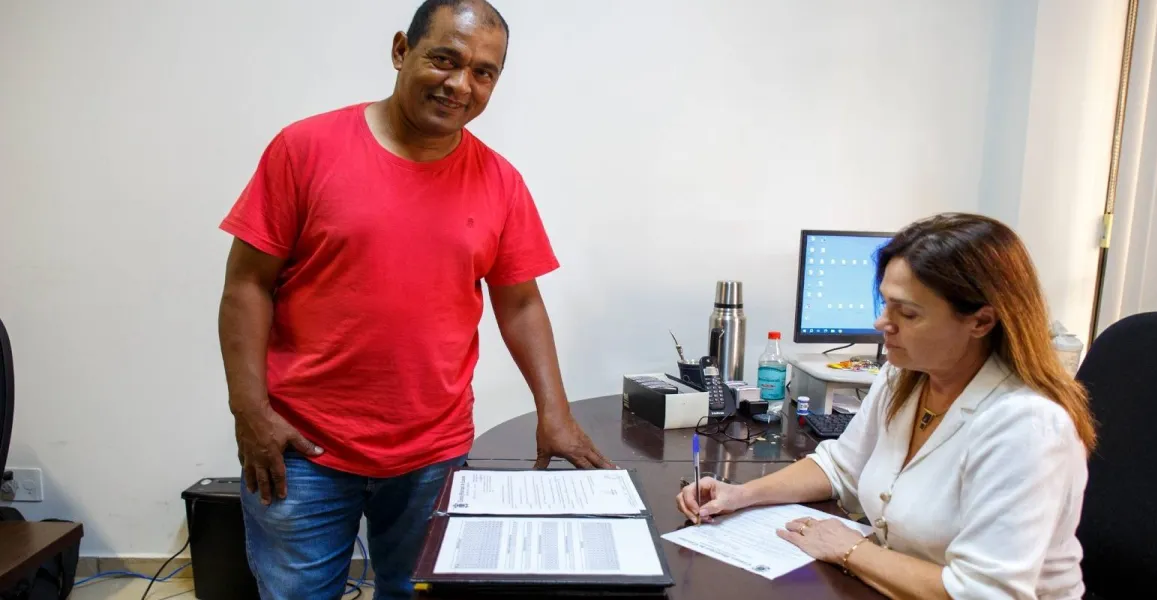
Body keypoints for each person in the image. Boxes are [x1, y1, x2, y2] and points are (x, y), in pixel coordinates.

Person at [216, 1, 611, 598]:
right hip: (300, 445)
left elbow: (521, 303)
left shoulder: (500, 181)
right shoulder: (304, 148)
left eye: (483, 72)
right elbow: (247, 285)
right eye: (445, 60)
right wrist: (249, 411)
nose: (460, 85)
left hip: (433, 451)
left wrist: (554, 413)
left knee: (415, 592)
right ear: (402, 50)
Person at [677, 213, 1096, 599]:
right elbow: (841, 467)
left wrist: (851, 551)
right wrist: (740, 495)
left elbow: (984, 593)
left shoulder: (1026, 425)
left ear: (981, 321)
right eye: (885, 303)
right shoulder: (905, 376)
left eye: (908, 313)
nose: (882, 323)